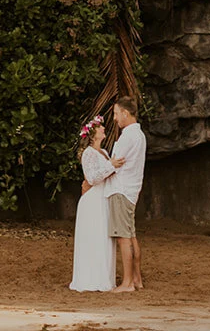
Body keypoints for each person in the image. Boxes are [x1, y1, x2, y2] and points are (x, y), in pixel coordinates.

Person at [68, 115, 117, 291]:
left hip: (103, 198)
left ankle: (103, 277)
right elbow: (92, 177)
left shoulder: (104, 152)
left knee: (103, 237)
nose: (104, 129)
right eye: (101, 127)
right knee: (92, 237)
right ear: (94, 134)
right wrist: (111, 166)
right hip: (92, 200)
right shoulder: (88, 153)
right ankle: (89, 279)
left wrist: (111, 166)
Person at [107, 95, 146, 292]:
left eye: (115, 113)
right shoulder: (139, 135)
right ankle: (137, 279)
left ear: (125, 113)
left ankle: (128, 282)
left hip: (121, 189)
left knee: (123, 237)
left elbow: (114, 163)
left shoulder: (127, 137)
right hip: (132, 190)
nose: (114, 118)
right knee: (131, 236)